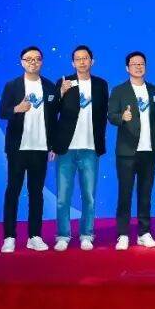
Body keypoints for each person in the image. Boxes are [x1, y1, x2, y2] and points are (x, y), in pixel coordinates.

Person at [0, 45, 58, 253]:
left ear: (42, 62)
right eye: (29, 59)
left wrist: (52, 145)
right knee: (13, 191)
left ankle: (35, 236)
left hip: (40, 148)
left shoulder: (49, 87)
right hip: (18, 148)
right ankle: (9, 237)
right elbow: (2, 112)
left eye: (37, 59)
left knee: (36, 193)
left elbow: (53, 119)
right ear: (22, 62)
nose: (33, 62)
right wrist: (17, 108)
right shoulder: (12, 86)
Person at [50, 45, 108, 252]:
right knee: (63, 198)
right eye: (78, 59)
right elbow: (52, 112)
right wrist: (60, 93)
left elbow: (104, 113)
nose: (82, 62)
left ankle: (87, 234)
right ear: (72, 63)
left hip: (90, 148)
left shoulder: (101, 84)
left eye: (85, 58)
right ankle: (63, 235)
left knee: (89, 197)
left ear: (92, 61)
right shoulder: (64, 82)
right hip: (66, 149)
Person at [107, 51, 155, 250]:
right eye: (134, 64)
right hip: (127, 151)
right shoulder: (119, 90)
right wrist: (122, 117)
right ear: (127, 68)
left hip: (149, 149)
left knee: (145, 193)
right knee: (125, 193)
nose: (138, 67)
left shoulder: (153, 90)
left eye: (141, 64)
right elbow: (111, 115)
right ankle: (123, 234)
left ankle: (144, 233)